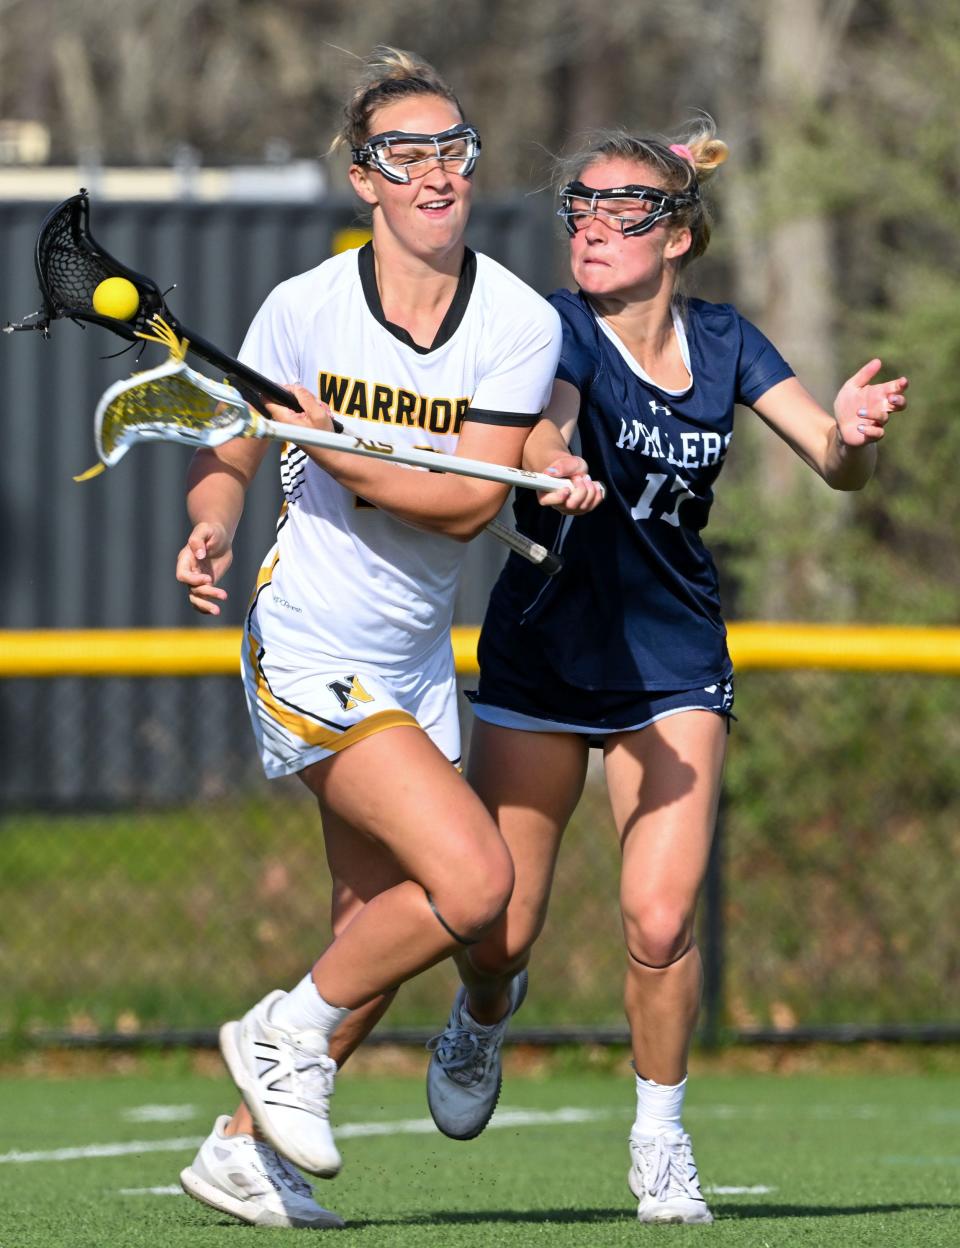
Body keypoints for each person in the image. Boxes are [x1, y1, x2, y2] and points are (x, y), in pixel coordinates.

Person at [425, 123, 908, 1225]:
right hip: (544, 652)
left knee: (656, 919)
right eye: (580, 209)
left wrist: (853, 433)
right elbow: (543, 428)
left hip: (673, 662)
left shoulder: (729, 342)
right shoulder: (550, 330)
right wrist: (551, 464)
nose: (592, 227)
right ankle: (483, 1016)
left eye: (624, 211)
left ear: (680, 236)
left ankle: (659, 1138)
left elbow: (837, 471)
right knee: (495, 929)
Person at [173, 46, 591, 1230]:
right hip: (307, 639)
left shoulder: (511, 317)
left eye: (451, 147)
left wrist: (339, 444)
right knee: (475, 885)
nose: (435, 171)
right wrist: (210, 523)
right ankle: (281, 1034)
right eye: (405, 153)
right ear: (365, 179)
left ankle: (244, 1150)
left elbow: (468, 502)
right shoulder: (304, 307)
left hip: (411, 661)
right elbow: (235, 445)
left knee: (376, 928)